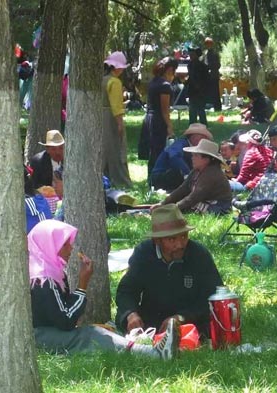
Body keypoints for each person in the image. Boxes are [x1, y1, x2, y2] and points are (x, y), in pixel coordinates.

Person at [28, 220, 180, 357]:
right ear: (48, 246)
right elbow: (66, 320)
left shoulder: (49, 271)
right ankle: (153, 353)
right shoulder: (43, 279)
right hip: (38, 337)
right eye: (64, 244)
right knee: (90, 335)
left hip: (44, 332)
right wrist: (82, 285)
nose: (71, 248)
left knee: (98, 331)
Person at [115, 204, 223, 338]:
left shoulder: (198, 254)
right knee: (123, 316)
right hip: (152, 321)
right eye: (172, 239)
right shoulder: (143, 253)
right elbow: (126, 290)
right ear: (157, 241)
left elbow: (215, 296)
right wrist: (131, 314)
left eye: (184, 236)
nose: (180, 244)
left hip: (190, 321)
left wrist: (181, 317)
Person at [160, 139, 232, 214]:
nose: (192, 158)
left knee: (190, 205)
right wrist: (163, 203)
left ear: (206, 159)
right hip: (204, 201)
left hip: (220, 206)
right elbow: (183, 189)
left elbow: (194, 197)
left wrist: (172, 208)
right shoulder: (196, 171)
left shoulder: (211, 173)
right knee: (184, 202)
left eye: (196, 155)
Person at [139, 57, 178, 183]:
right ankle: (155, 179)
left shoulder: (153, 82)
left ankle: (150, 177)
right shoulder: (165, 86)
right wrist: (170, 127)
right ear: (170, 70)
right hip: (158, 121)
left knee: (153, 150)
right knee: (159, 151)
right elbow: (164, 110)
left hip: (149, 118)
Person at [151, 123, 213, 191]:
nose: (205, 139)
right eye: (202, 137)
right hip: (161, 176)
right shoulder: (181, 143)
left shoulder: (193, 147)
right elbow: (174, 157)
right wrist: (188, 174)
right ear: (194, 137)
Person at [102, 51, 132, 189]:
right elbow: (116, 106)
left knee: (104, 149)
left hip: (100, 117)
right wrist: (120, 123)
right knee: (117, 149)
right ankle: (120, 180)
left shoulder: (103, 79)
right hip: (111, 118)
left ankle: (105, 176)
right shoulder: (115, 82)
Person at [186, 46, 209, 125]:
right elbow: (191, 77)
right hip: (192, 91)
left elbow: (205, 79)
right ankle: (192, 127)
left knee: (200, 110)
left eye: (192, 53)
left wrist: (201, 87)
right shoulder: (190, 65)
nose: (190, 55)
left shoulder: (203, 66)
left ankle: (204, 126)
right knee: (192, 111)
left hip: (200, 92)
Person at [203, 37, 221, 111]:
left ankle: (217, 107)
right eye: (206, 44)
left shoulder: (214, 53)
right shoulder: (205, 53)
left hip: (213, 75)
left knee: (215, 92)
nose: (208, 45)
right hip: (208, 75)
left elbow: (218, 65)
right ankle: (210, 105)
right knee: (208, 91)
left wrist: (210, 68)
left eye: (209, 44)